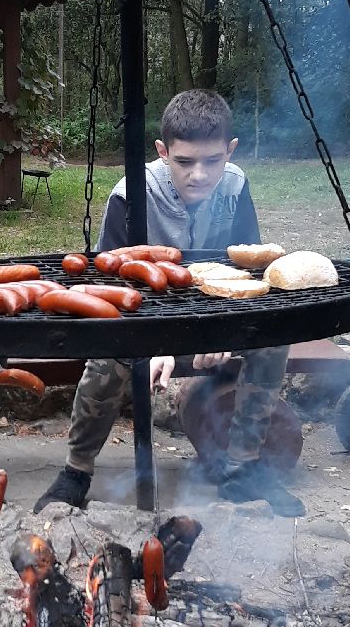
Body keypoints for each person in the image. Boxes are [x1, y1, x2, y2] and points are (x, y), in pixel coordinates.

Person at [35, 87, 302, 517]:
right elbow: (109, 283)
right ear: (162, 152)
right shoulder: (130, 194)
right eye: (184, 162)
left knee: (274, 339)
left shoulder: (235, 186)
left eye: (212, 161)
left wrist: (222, 330)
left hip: (212, 320)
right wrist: (153, 339)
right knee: (106, 358)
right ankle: (77, 470)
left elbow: (247, 273)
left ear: (230, 150)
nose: (199, 174)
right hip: (140, 324)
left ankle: (243, 467)